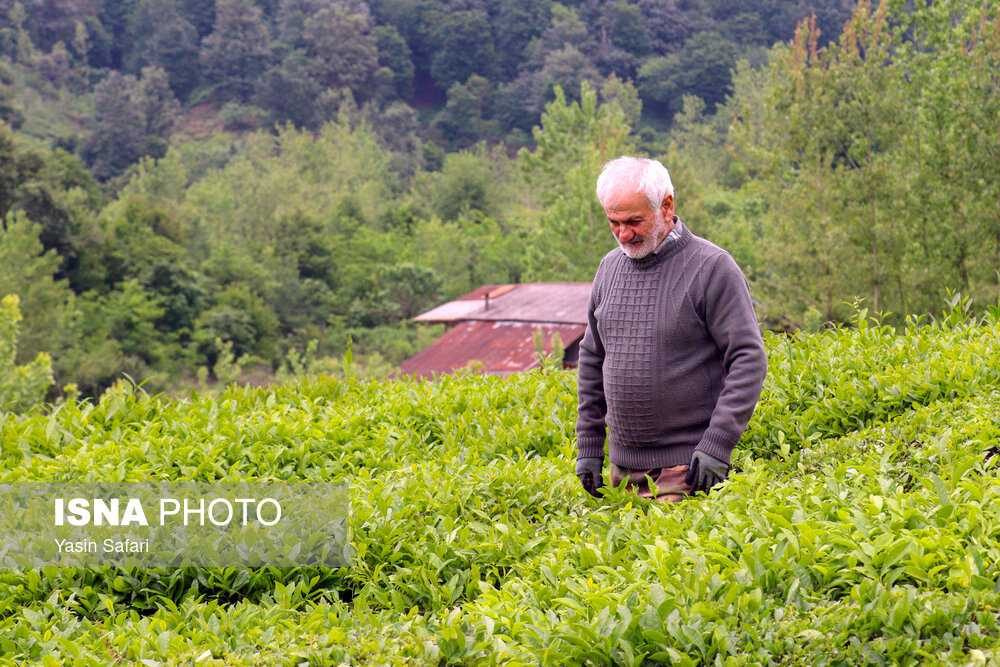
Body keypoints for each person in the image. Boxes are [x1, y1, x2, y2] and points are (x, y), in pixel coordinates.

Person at [575, 156, 767, 501]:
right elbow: (592, 358)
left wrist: (717, 444)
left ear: (666, 206)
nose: (623, 233)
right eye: (613, 222)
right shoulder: (608, 269)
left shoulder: (712, 267)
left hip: (687, 469)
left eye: (634, 221)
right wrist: (589, 446)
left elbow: (748, 359)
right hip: (622, 474)